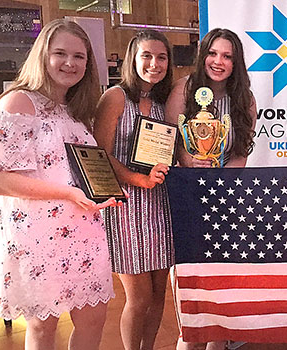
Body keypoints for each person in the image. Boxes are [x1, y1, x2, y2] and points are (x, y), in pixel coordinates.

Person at [0, 19, 117, 350]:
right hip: (37, 238)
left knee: (95, 318)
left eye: (79, 56)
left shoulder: (77, 110)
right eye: (60, 53)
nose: (70, 63)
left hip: (83, 232)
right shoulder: (17, 103)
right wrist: (68, 193)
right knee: (43, 326)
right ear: (43, 55)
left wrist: (102, 191)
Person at [166, 28, 257, 350]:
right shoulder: (183, 90)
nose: (218, 62)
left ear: (236, 62)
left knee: (221, 300)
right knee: (193, 303)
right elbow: (170, 142)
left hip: (227, 204)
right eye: (213, 53)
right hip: (188, 201)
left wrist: (220, 187)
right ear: (203, 55)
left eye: (227, 56)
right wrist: (187, 161)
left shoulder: (244, 99)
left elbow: (242, 152)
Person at [93, 30, 174, 350]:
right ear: (132, 59)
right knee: (138, 298)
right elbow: (100, 155)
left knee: (158, 296)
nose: (154, 63)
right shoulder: (115, 97)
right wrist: (137, 179)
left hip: (159, 206)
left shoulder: (162, 103)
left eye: (162, 57)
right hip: (126, 207)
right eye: (147, 56)